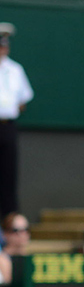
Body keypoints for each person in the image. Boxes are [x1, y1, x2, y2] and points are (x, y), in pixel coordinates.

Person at [0, 23, 34, 218]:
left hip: (7, 127)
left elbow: (24, 99)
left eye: (4, 45)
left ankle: (11, 225)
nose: (2, 49)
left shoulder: (15, 69)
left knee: (8, 175)